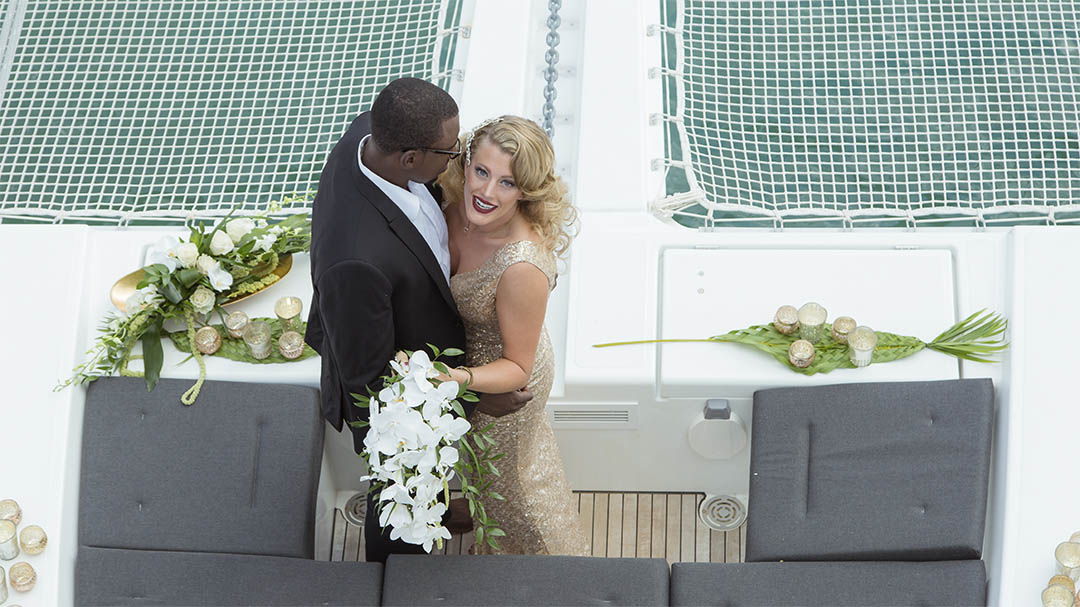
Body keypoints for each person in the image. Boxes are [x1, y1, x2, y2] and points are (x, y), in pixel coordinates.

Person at [304, 78, 529, 564]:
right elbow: (370, 379)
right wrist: (470, 392)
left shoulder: (367, 134)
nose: (459, 160)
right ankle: (396, 573)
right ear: (410, 159)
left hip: (418, 344)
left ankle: (440, 507)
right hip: (398, 408)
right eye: (453, 153)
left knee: (434, 484)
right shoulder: (356, 261)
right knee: (401, 510)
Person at [437, 115, 589, 555]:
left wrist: (456, 380)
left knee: (517, 486)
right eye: (482, 172)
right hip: (470, 367)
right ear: (465, 163)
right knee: (482, 470)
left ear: (525, 191)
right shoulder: (452, 203)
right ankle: (476, 511)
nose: (486, 193)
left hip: (506, 380)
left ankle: (553, 566)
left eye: (507, 183)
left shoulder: (522, 266)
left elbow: (517, 366)